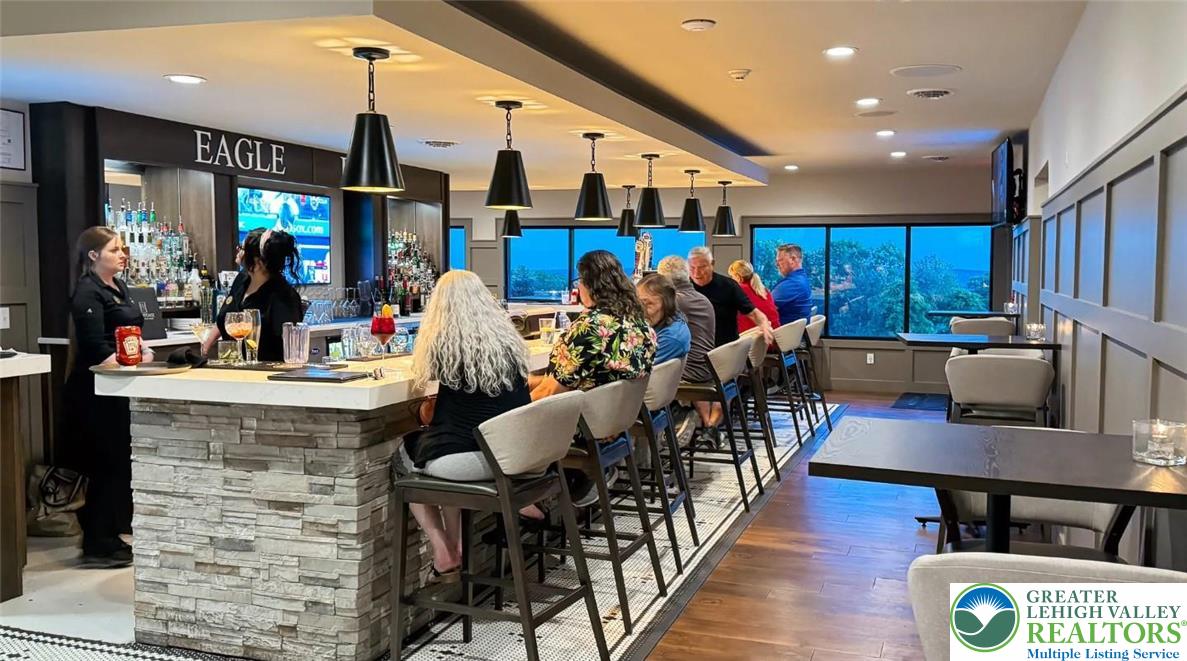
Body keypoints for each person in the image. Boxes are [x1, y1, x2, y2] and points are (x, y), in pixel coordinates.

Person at [395, 270, 533, 582]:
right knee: (440, 448)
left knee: (406, 457)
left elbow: (422, 384)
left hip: (468, 462)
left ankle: (443, 550)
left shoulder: (444, 346)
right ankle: (457, 548)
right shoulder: (509, 344)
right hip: (511, 455)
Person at [529, 250, 656, 506]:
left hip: (579, 429)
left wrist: (505, 415)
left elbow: (549, 395)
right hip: (613, 424)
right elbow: (582, 379)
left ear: (590, 285)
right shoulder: (641, 326)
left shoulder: (589, 328)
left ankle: (528, 499)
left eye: (579, 281)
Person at [63, 226, 153, 567]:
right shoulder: (87, 292)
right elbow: (95, 346)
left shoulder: (120, 286)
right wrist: (127, 360)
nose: (122, 254)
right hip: (96, 391)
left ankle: (115, 530)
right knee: (103, 462)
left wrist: (141, 351)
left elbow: (128, 331)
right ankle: (98, 539)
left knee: (119, 461)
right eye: (115, 249)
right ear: (93, 256)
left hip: (120, 387)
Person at [204, 229, 303, 362]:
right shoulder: (242, 279)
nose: (238, 251)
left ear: (258, 264)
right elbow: (225, 317)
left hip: (265, 373)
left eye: (242, 248)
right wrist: (208, 341)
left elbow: (290, 349)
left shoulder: (284, 297)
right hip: (231, 367)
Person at [656, 255, 723, 446]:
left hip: (687, 372)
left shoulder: (675, 302)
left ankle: (675, 418)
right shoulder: (703, 299)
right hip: (706, 367)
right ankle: (707, 427)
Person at [687, 247, 774, 347]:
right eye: (692, 268)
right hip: (694, 349)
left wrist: (764, 324)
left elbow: (753, 313)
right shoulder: (683, 288)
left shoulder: (728, 286)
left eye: (702, 267)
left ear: (712, 264)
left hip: (725, 348)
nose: (696, 273)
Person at [636, 273, 690, 365]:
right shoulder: (666, 319)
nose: (640, 311)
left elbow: (638, 369)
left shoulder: (671, 338)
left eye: (648, 304)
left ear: (667, 305)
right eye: (638, 303)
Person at [727, 259, 781, 335]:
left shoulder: (738, 290)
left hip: (751, 341)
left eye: (732, 277)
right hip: (773, 337)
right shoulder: (764, 290)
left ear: (738, 277)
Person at [771, 243, 814, 325]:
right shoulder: (802, 279)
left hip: (782, 334)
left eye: (780, 260)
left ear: (793, 259)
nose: (777, 265)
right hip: (794, 334)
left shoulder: (792, 284)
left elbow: (765, 308)